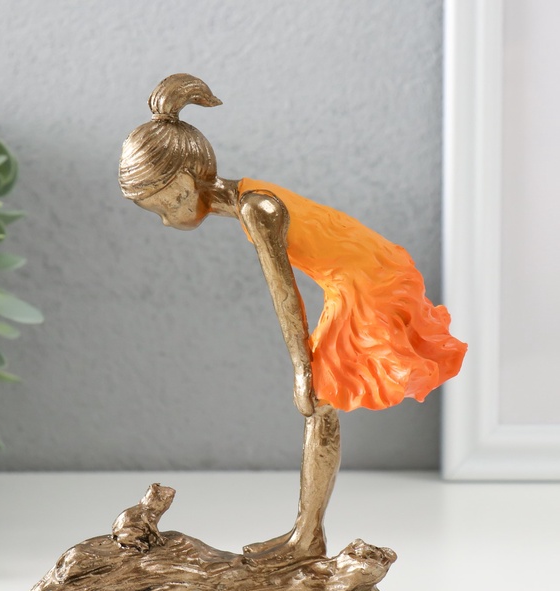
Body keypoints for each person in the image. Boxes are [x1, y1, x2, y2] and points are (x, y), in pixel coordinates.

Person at [119, 74, 467, 561]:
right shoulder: (247, 197)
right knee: (321, 402)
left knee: (318, 398)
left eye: (167, 205)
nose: (167, 220)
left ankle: (307, 538)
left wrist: (302, 369)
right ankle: (306, 533)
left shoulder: (256, 208)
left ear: (189, 182)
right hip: (359, 272)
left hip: (367, 280)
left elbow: (284, 294)